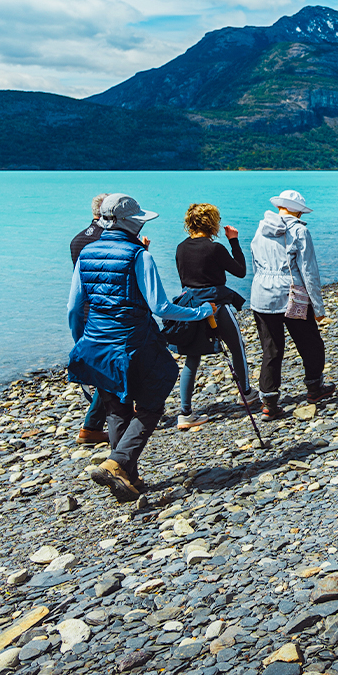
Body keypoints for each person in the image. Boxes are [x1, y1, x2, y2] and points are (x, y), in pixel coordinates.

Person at [68, 194, 215, 502]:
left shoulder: (86, 253)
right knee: (155, 397)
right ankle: (118, 462)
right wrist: (201, 312)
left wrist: (81, 340)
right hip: (132, 341)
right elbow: (160, 307)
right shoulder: (138, 255)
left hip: (95, 342)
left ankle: (127, 478)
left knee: (116, 406)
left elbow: (74, 307)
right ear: (131, 222)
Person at [250, 190, 335, 421]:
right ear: (297, 210)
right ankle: (314, 388)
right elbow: (309, 271)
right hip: (292, 293)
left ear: (280, 207)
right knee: (310, 342)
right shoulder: (299, 230)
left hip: (262, 294)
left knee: (271, 348)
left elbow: (255, 261)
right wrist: (318, 308)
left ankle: (269, 402)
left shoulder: (261, 228)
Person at [171, 202, 259, 425]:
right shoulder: (215, 248)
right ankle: (246, 393)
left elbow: (185, 279)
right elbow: (240, 271)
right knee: (236, 347)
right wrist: (234, 241)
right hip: (216, 305)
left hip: (191, 305)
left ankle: (185, 413)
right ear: (212, 223)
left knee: (193, 357)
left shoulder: (181, 248)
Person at [69, 193, 111, 445]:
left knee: (100, 365)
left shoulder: (77, 240)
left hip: (84, 309)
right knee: (113, 366)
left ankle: (102, 416)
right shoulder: (109, 239)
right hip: (105, 311)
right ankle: (92, 424)